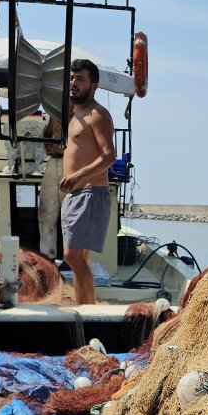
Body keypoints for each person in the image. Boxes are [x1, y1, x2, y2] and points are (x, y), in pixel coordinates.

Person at [60, 59, 116, 305]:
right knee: (80, 257)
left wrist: (77, 175)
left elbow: (109, 156)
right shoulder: (76, 114)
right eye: (72, 78)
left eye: (80, 79)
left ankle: (88, 310)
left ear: (94, 85)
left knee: (71, 255)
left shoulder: (98, 115)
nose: (73, 83)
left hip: (90, 193)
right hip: (77, 194)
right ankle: (82, 306)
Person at [38, 117, 64, 260]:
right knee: (46, 213)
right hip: (54, 161)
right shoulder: (55, 113)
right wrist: (47, 145)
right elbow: (47, 132)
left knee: (72, 215)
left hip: (73, 164)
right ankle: (47, 258)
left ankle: (72, 259)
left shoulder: (84, 112)